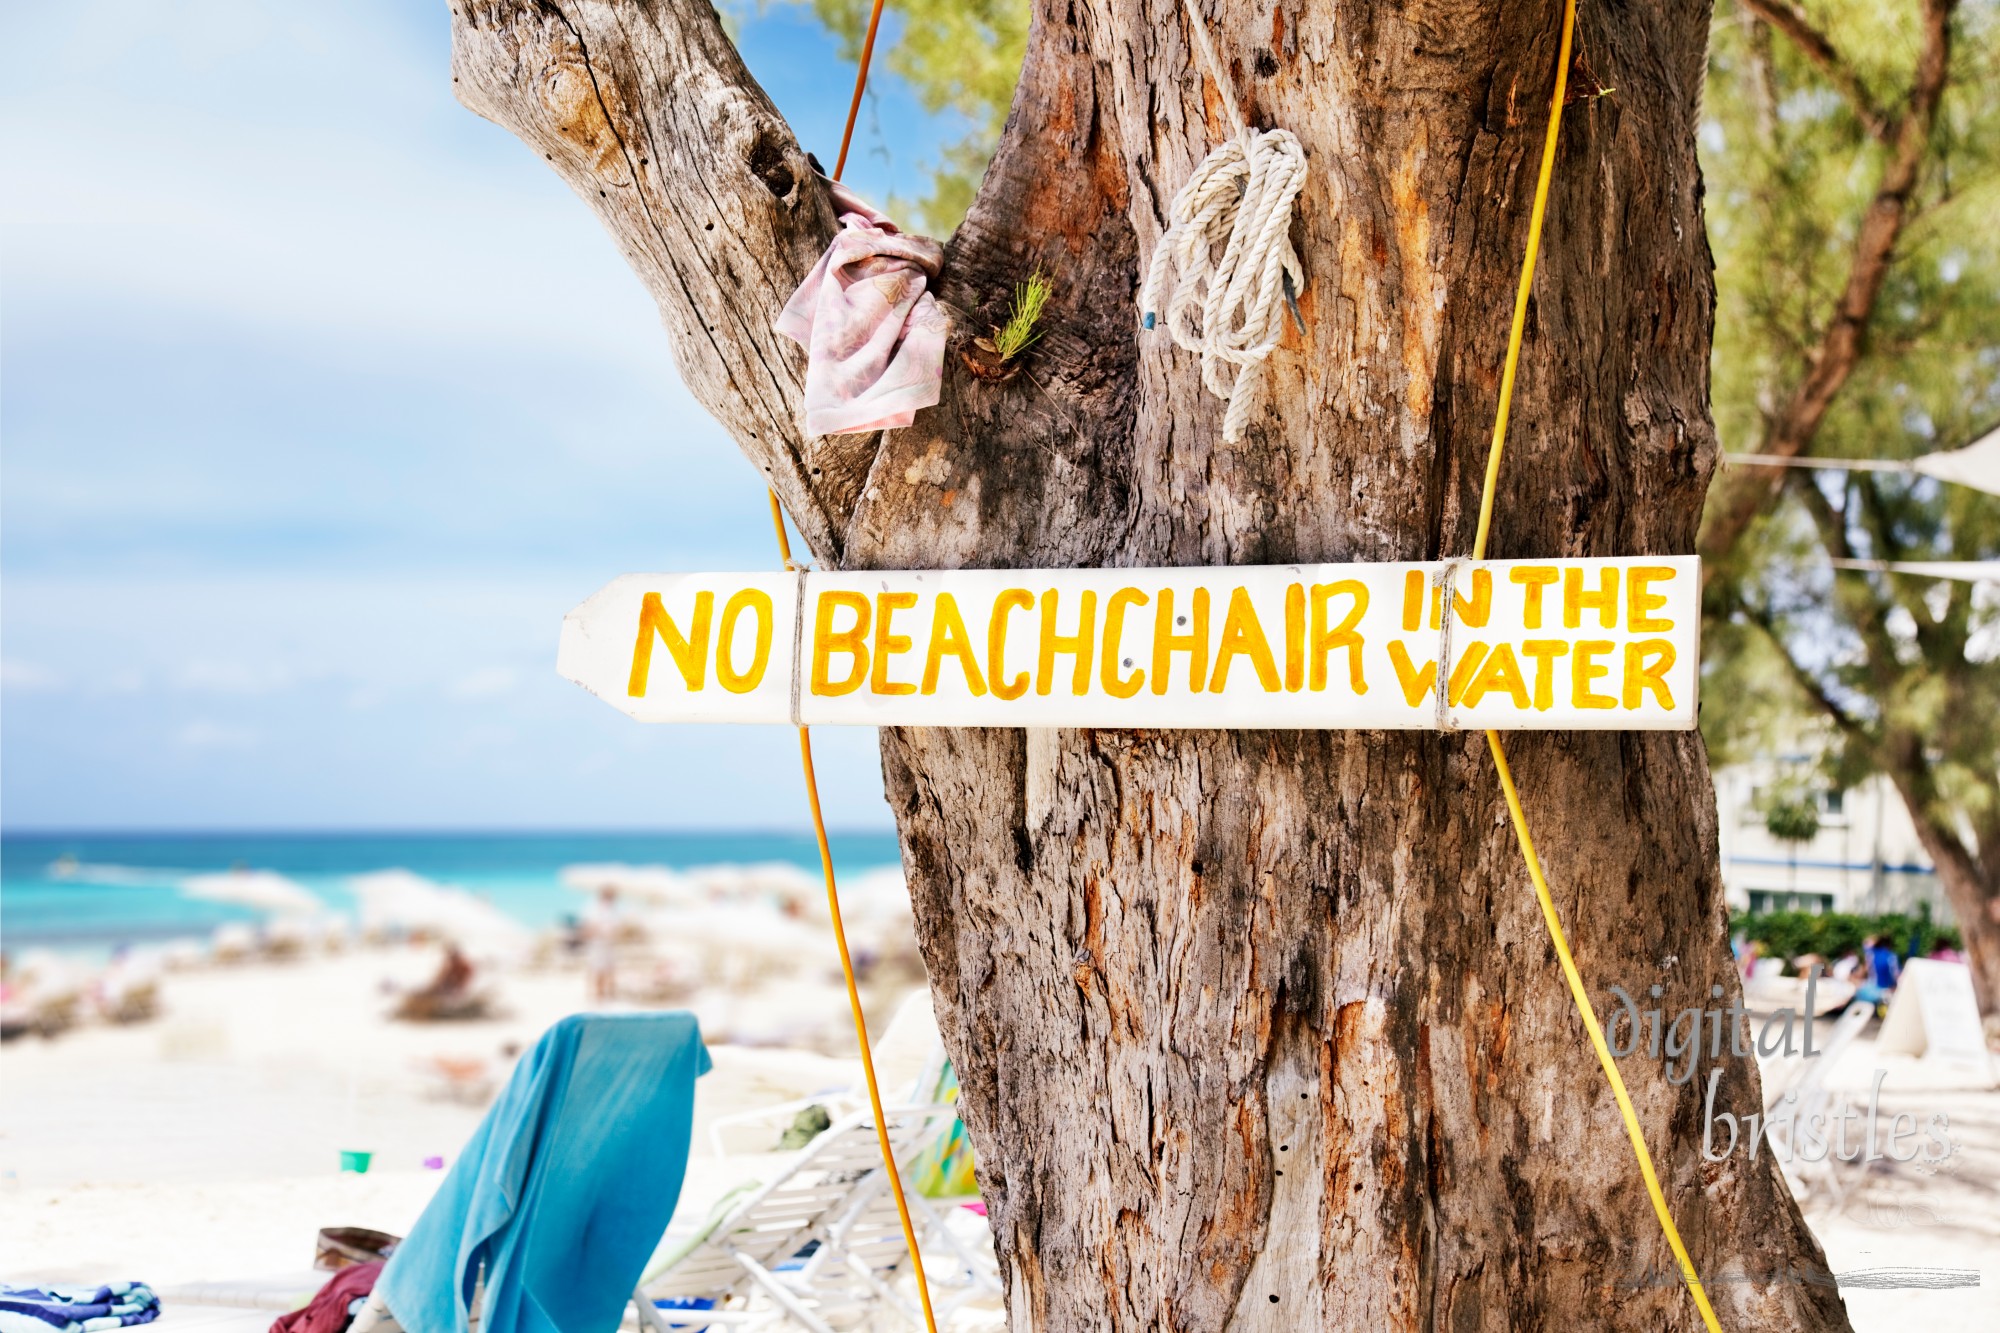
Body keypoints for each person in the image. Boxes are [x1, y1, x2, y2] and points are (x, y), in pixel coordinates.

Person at [584, 887, 619, 1003]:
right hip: (597, 943)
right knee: (598, 969)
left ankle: (606, 995)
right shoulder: (594, 908)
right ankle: (597, 996)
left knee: (609, 969)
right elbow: (589, 927)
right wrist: (601, 933)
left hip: (608, 943)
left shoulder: (611, 909)